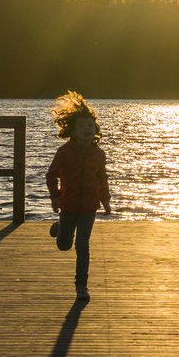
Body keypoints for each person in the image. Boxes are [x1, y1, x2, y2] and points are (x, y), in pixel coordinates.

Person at [45, 91, 112, 300]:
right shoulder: (64, 152)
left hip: (89, 207)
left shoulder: (99, 154)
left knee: (83, 244)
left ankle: (81, 285)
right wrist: (55, 196)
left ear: (95, 131)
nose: (87, 129)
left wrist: (106, 201)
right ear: (72, 131)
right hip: (68, 204)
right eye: (82, 126)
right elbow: (51, 174)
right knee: (64, 245)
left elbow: (102, 178)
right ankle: (59, 227)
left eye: (90, 126)